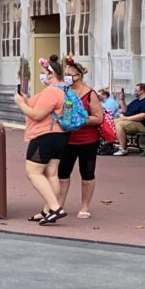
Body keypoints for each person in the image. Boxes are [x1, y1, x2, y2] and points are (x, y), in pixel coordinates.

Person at [13, 56, 69, 225]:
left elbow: (37, 115)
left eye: (44, 73)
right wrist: (27, 101)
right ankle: (47, 211)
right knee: (52, 173)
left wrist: (20, 104)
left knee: (33, 172)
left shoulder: (52, 91)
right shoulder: (65, 89)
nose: (42, 76)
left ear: (51, 74)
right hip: (59, 135)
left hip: (45, 136)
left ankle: (55, 208)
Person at [57, 59, 104, 220]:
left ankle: (85, 206)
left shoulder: (89, 93)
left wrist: (81, 119)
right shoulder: (63, 91)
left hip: (87, 140)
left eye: (70, 75)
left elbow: (99, 118)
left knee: (87, 173)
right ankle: (58, 205)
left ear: (79, 76)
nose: (67, 77)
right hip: (67, 139)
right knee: (62, 172)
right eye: (65, 74)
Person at [113, 83, 145, 156]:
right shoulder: (136, 101)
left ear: (142, 91)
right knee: (112, 122)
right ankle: (108, 145)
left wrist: (126, 118)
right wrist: (122, 100)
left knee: (119, 125)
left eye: (136, 90)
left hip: (143, 125)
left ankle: (123, 149)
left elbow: (144, 115)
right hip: (132, 121)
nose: (135, 92)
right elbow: (125, 111)